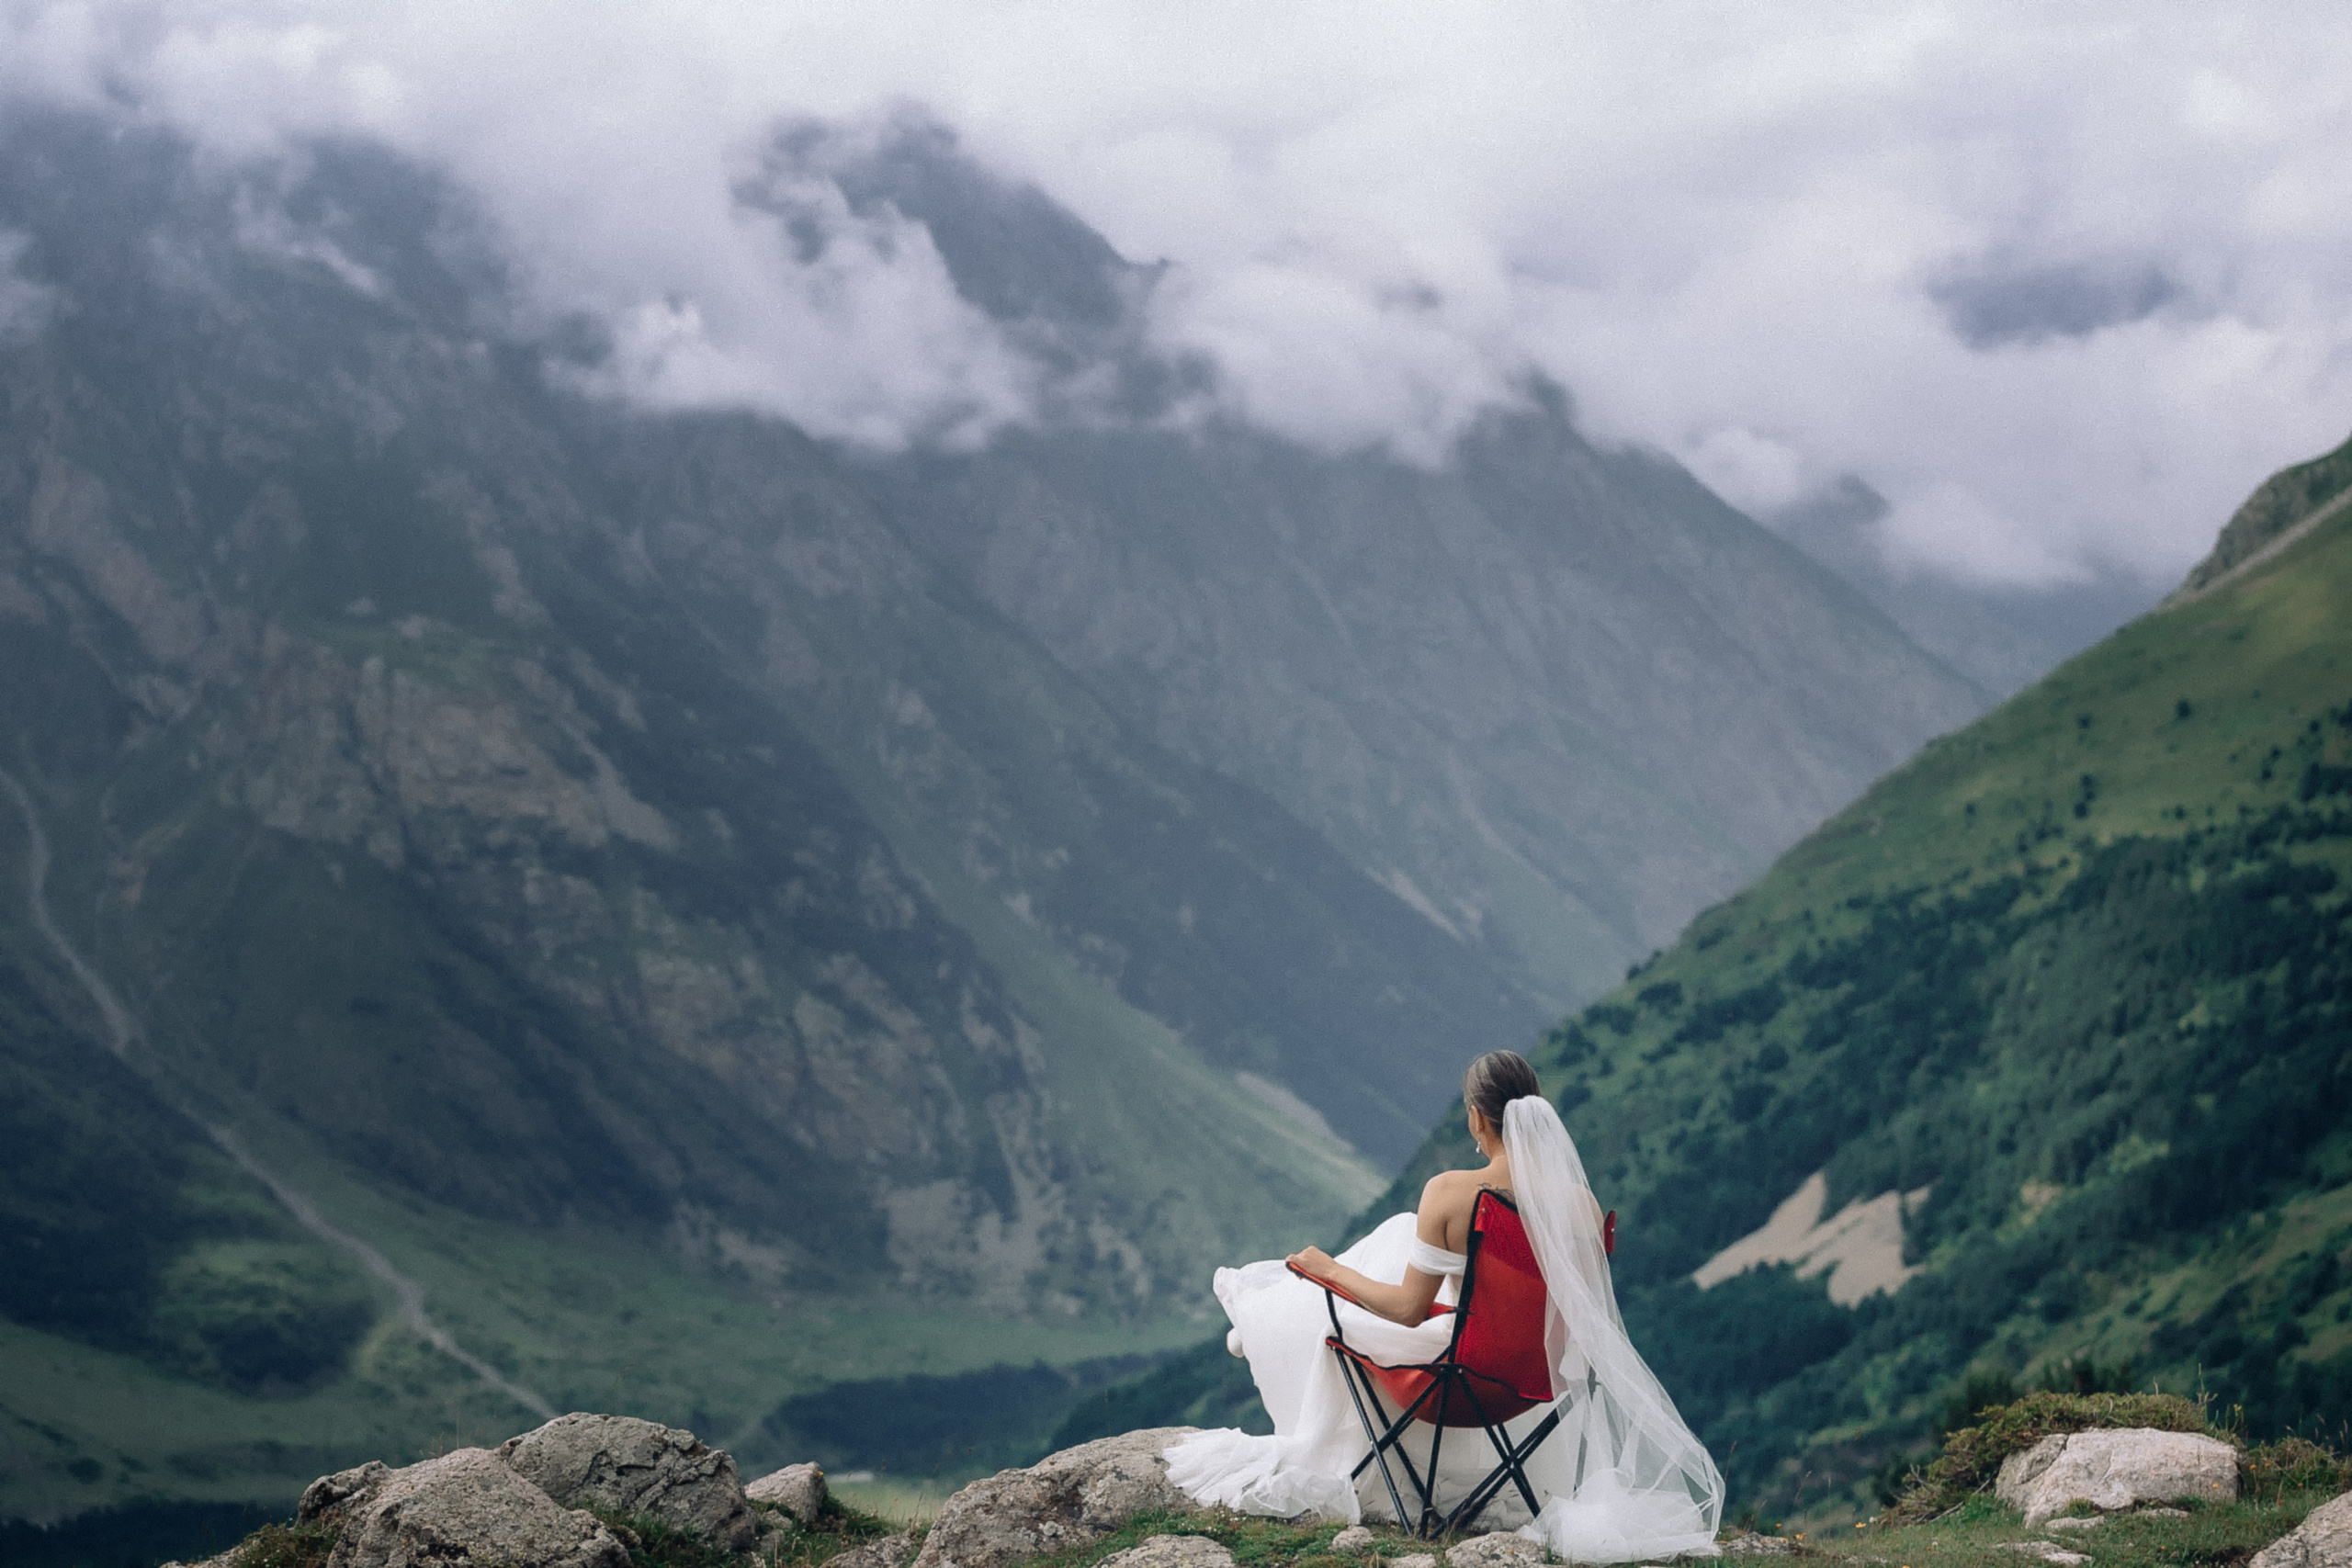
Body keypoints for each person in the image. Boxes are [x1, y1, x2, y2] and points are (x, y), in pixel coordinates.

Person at [1164, 1051, 1724, 1562]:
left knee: (1340, 1321)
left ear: (1479, 1118)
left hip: (1457, 1383)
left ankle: (1262, 1319)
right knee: (1401, 1244)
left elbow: (1409, 1310)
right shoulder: (1579, 1203)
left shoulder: (1452, 1193)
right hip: (1537, 1383)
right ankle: (1264, 1319)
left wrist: (1331, 1272)